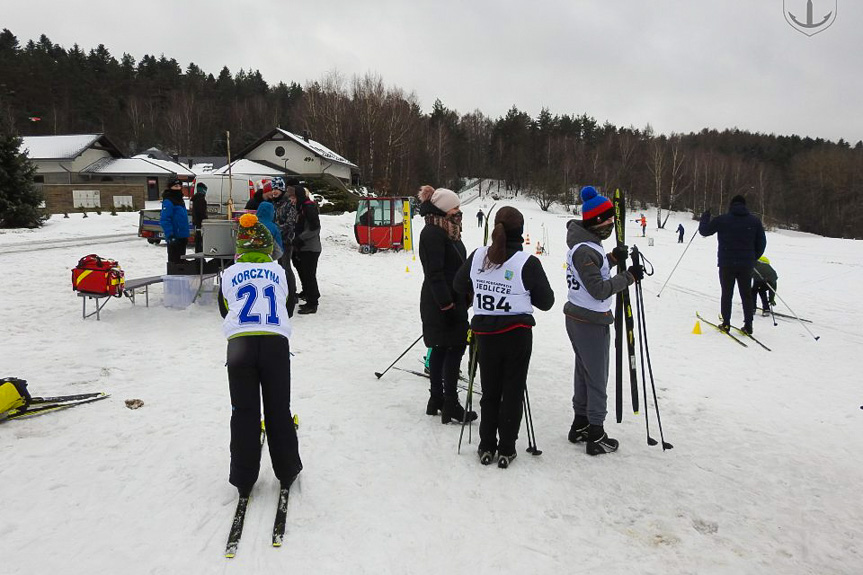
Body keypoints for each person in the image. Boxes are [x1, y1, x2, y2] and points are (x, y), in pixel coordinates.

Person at [453, 206, 554, 468]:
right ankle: (506, 447)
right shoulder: (526, 262)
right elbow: (547, 301)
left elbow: (458, 284)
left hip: (486, 335)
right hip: (516, 335)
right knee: (511, 391)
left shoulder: (478, 256)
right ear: (520, 232)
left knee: (490, 390)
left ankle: (487, 444)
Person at [218, 213, 302, 498]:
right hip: (274, 344)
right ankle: (287, 469)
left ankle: (243, 476)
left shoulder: (229, 273)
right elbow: (288, 304)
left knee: (243, 411)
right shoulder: (279, 271)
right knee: (278, 409)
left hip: (240, 345)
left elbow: (225, 306)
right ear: (268, 248)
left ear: (239, 249)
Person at [564, 186, 640, 456]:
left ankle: (581, 422)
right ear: (596, 222)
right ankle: (595, 432)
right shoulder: (585, 249)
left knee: (585, 371)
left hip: (582, 316)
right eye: (608, 221)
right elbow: (598, 288)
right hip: (589, 319)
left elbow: (593, 269)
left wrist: (612, 259)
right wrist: (628, 277)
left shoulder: (587, 246)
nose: (611, 225)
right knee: (596, 375)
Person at [417, 184, 476, 424]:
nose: (459, 214)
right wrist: (448, 306)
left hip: (452, 298)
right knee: (452, 349)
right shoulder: (432, 233)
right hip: (441, 301)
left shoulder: (448, 231)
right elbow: (435, 273)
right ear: (443, 211)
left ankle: (438, 400)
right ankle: (449, 402)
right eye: (455, 210)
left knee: (442, 349)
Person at [699, 194, 766, 334]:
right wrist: (753, 258)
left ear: (731, 205)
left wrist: (705, 217)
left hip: (726, 263)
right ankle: (748, 325)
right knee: (746, 294)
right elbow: (762, 243)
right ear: (744, 205)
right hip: (746, 264)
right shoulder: (754, 221)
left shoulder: (722, 220)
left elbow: (704, 231)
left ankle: (726, 323)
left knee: (727, 294)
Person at [292, 184, 322, 314]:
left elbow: (315, 228)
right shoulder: (301, 207)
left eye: (293, 197)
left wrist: (300, 238)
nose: (291, 200)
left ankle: (313, 303)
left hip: (310, 247)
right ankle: (309, 297)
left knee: (309, 275)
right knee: (305, 274)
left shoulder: (308, 207)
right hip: (304, 247)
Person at [160, 178, 191, 264]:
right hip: (175, 237)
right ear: (170, 187)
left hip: (182, 236)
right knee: (175, 263)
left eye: (179, 186)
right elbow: (165, 219)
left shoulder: (180, 200)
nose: (178, 188)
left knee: (181, 262)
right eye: (175, 186)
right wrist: (170, 235)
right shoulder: (168, 201)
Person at [191, 182, 208, 253]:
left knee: (198, 242)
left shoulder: (196, 198)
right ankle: (199, 260)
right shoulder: (201, 199)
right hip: (200, 224)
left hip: (197, 223)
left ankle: (198, 258)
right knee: (199, 242)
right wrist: (205, 221)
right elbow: (201, 213)